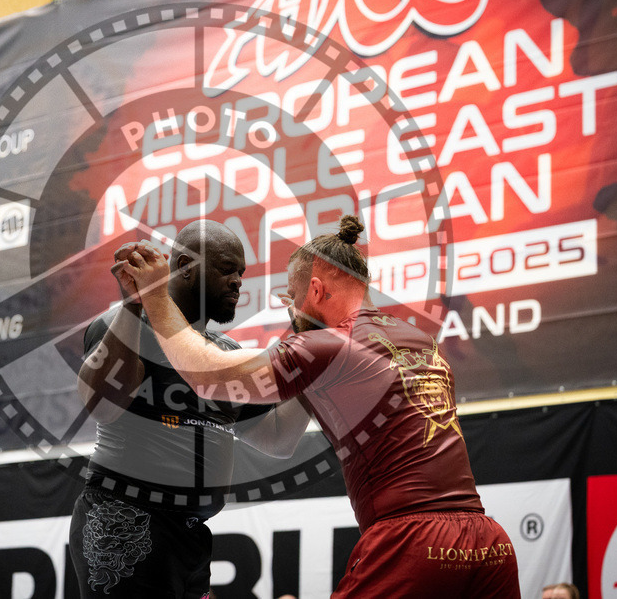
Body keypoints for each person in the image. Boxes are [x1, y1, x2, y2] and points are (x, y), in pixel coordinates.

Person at [120, 215, 521, 598]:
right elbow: (279, 442)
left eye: (291, 299)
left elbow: (206, 374)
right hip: (488, 543)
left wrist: (155, 296)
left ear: (314, 291)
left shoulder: (329, 345)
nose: (290, 312)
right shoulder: (419, 340)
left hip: (413, 540)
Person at [70, 219, 310, 599]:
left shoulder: (225, 354)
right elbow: (103, 407)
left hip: (190, 534)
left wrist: (310, 351)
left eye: (241, 273)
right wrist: (134, 304)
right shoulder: (124, 324)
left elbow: (279, 439)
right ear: (183, 265)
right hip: (125, 520)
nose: (237, 282)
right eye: (226, 269)